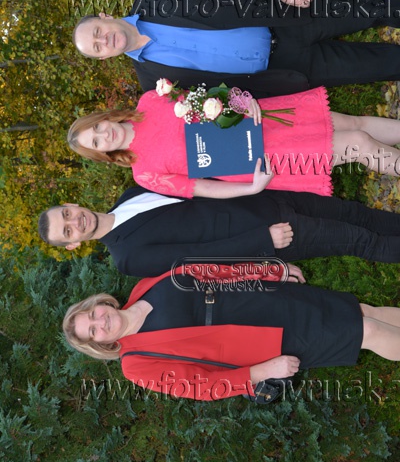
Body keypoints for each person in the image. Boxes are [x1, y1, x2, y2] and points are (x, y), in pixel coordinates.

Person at [62, 264, 400, 401]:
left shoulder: (143, 286)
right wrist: (262, 372)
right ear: (100, 344)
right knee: (366, 331)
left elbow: (209, 272)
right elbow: (201, 387)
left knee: (362, 312)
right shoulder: (135, 364)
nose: (100, 322)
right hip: (268, 342)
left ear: (99, 303)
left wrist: (268, 272)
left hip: (267, 299)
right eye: (93, 331)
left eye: (92, 315)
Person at [72, 0, 400, 97]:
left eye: (98, 31)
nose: (105, 40)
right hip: (288, 69)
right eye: (97, 47)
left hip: (285, 12)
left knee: (376, 7)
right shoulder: (153, 85)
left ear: (104, 16)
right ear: (103, 58)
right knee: (379, 65)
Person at [67, 86, 400, 198]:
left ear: (103, 118)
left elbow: (208, 97)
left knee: (353, 124)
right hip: (262, 156)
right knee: (358, 143)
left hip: (259, 119)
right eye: (96, 143)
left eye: (97, 128)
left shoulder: (149, 100)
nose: (104, 135)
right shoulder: (144, 174)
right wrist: (251, 189)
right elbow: (202, 188)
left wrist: (240, 99)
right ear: (102, 154)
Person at [39, 186, 400, 276]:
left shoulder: (129, 194)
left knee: (356, 214)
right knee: (361, 241)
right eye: (67, 231)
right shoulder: (127, 257)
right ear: (73, 245)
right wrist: (263, 241)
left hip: (263, 199)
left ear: (72, 203)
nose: (75, 221)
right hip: (271, 233)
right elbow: (196, 260)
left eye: (67, 214)